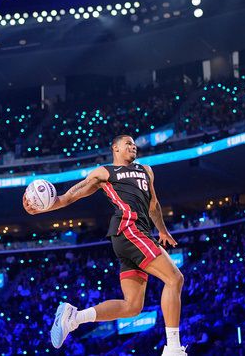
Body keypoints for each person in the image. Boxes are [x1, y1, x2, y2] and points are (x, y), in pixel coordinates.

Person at [23, 134, 187, 355]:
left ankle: (74, 318)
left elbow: (154, 205)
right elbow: (70, 196)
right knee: (175, 279)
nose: (133, 146)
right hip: (130, 230)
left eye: (134, 144)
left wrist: (163, 230)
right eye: (128, 143)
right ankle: (174, 349)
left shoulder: (146, 170)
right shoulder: (105, 172)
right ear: (115, 148)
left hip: (137, 235)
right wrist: (42, 207)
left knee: (132, 306)